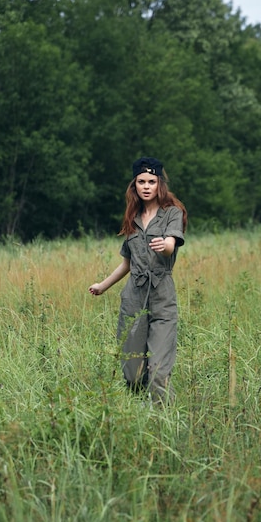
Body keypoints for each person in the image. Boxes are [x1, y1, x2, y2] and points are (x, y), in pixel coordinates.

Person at [89, 156, 187, 404]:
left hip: (162, 294)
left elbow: (170, 244)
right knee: (132, 374)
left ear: (159, 184)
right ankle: (142, 412)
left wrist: (164, 244)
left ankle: (163, 422)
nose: (146, 186)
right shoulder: (132, 218)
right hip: (134, 298)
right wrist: (103, 285)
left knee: (157, 372)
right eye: (141, 181)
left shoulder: (172, 213)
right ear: (134, 185)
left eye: (151, 181)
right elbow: (127, 263)